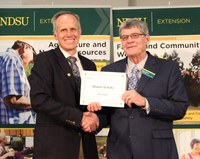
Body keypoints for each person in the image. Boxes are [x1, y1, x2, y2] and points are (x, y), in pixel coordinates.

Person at [86, 18, 189, 159]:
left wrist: (146, 102)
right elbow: (107, 113)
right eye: (124, 37)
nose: (129, 41)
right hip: (119, 151)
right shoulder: (109, 70)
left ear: (147, 39)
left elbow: (179, 108)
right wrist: (96, 118)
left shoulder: (168, 68)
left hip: (156, 150)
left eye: (135, 35)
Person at [29, 11, 99, 159]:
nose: (69, 34)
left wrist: (95, 119)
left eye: (73, 29)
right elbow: (39, 100)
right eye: (63, 30)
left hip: (86, 145)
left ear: (79, 32)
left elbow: (95, 102)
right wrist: (79, 117)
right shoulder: (44, 60)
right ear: (55, 35)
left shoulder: (89, 65)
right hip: (55, 147)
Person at [0, 40, 36, 124]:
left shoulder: (3, 57)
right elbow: (12, 100)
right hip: (13, 128)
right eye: (33, 56)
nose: (32, 62)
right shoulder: (12, 58)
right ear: (25, 48)